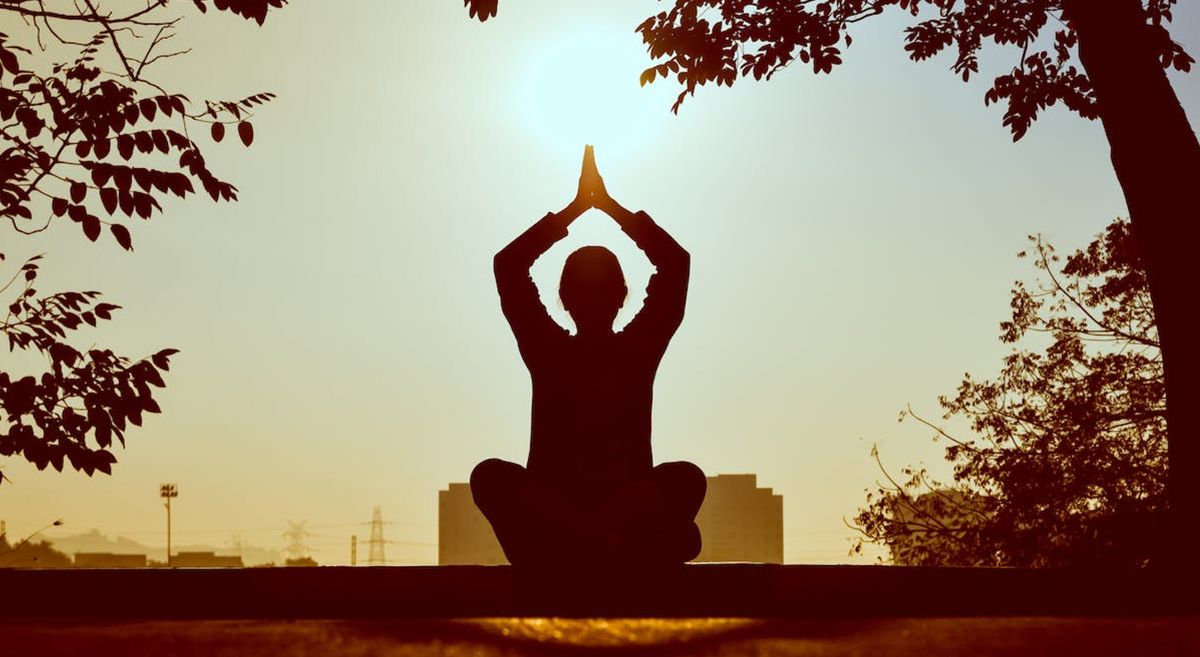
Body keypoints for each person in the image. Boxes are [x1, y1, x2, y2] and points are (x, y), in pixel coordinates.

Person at [472, 145, 706, 567]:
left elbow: (510, 266)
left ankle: (588, 539)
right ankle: (599, 540)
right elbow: (674, 263)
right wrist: (598, 208)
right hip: (566, 513)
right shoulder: (560, 350)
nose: (595, 299)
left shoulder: (612, 350)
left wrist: (586, 208)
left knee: (686, 478)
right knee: (489, 476)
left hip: (602, 514)